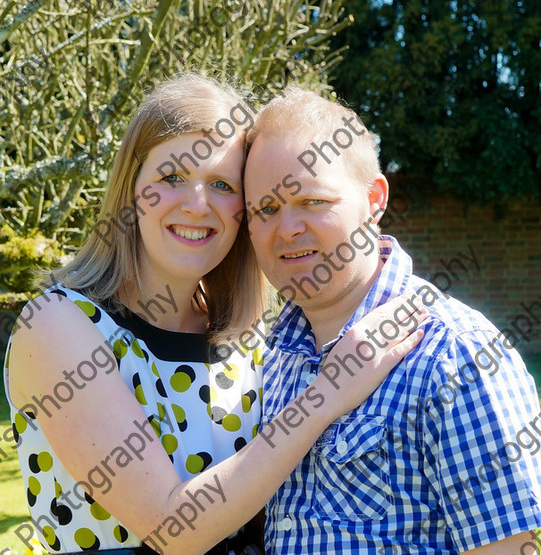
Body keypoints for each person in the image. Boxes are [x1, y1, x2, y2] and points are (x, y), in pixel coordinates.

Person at [3, 74, 426, 555]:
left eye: (222, 184)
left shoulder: (250, 340)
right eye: (172, 177)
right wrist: (326, 394)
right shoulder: (58, 324)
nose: (197, 203)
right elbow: (170, 528)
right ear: (130, 190)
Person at [243, 87, 541, 554]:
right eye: (266, 209)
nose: (287, 229)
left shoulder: (458, 356)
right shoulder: (274, 356)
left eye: (313, 201)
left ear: (375, 199)